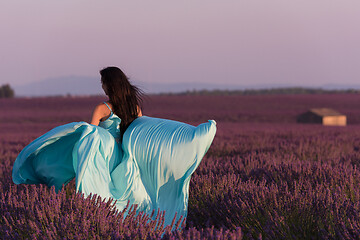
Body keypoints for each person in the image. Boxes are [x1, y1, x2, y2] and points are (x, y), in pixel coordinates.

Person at [12, 66, 217, 227]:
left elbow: (89, 133)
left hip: (104, 152)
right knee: (125, 195)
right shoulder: (134, 108)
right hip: (122, 155)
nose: (101, 86)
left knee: (98, 184)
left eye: (103, 83)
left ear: (109, 85)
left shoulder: (102, 108)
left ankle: (93, 215)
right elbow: (140, 130)